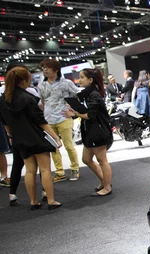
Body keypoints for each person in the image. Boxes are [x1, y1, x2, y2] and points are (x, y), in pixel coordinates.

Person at [0, 66, 63, 210]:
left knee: (29, 170)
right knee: (45, 169)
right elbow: (40, 121)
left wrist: (11, 136)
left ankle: (33, 201)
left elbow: (4, 122)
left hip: (19, 140)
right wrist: (56, 138)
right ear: (23, 80)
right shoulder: (28, 99)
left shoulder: (3, 100)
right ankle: (51, 200)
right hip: (36, 138)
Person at [63, 68, 113, 197]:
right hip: (90, 131)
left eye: (81, 77)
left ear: (90, 80)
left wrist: (75, 113)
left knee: (102, 160)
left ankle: (107, 187)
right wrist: (74, 112)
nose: (79, 80)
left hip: (98, 131)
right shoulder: (86, 94)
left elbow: (90, 115)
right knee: (86, 159)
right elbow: (84, 112)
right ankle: (104, 181)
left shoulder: (94, 95)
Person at [38, 58, 80, 183]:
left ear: (56, 69)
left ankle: (74, 168)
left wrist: (73, 112)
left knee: (68, 145)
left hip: (63, 117)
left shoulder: (66, 83)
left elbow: (77, 96)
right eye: (43, 67)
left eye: (47, 67)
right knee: (53, 147)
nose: (45, 69)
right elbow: (42, 101)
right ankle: (59, 172)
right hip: (49, 120)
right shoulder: (41, 85)